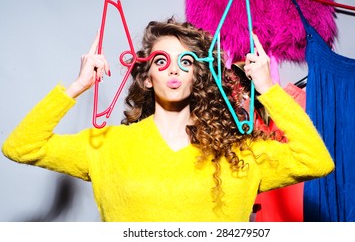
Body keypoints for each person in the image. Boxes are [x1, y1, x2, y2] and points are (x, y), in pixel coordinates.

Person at [2, 17, 334, 222]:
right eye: (161, 61)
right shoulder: (106, 146)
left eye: (185, 62)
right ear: (146, 78)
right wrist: (77, 86)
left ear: (197, 76)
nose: (174, 69)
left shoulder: (239, 153)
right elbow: (21, 147)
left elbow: (316, 161)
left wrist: (267, 89)